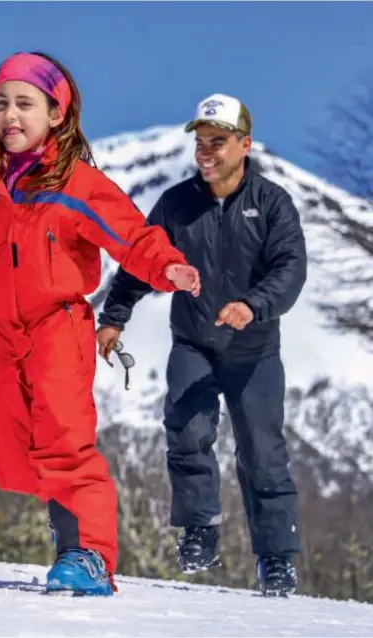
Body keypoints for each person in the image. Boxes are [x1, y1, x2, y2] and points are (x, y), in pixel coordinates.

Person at [0, 51, 200, 596]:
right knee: (14, 449)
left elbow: (131, 236)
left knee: (65, 439)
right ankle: (68, 537)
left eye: (25, 104)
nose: (10, 116)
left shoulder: (77, 182)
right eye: (1, 103)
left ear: (56, 114)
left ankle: (87, 554)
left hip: (58, 325)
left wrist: (167, 266)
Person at [96, 93, 307, 597]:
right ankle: (199, 530)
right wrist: (114, 317)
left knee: (262, 452)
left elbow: (291, 269)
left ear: (244, 144)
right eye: (200, 142)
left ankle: (276, 559)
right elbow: (139, 259)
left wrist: (254, 305)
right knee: (187, 431)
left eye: (217, 142)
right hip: (193, 340)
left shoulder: (272, 202)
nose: (205, 152)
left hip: (253, 349)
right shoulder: (176, 203)